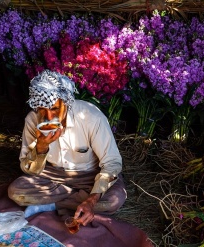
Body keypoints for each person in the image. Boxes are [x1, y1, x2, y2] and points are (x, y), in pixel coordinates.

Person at [8, 69, 126, 226]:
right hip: (52, 176)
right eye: (43, 109)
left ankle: (52, 204)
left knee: (113, 201)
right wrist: (41, 148)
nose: (49, 117)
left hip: (90, 176)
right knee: (16, 192)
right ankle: (74, 200)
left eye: (55, 109)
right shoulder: (32, 120)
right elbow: (28, 170)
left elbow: (112, 163)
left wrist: (92, 199)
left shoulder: (91, 117)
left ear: (67, 103)